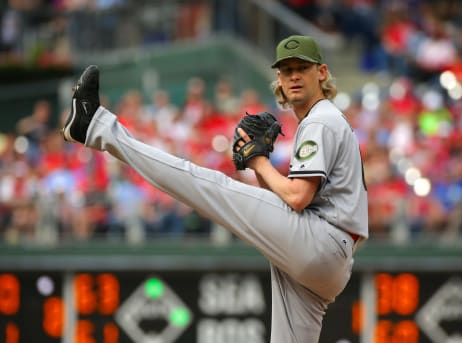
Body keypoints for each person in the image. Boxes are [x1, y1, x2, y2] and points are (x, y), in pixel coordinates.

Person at [62, 34, 368, 342]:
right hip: (327, 257)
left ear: (322, 72)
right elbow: (288, 204)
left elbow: (297, 198)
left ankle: (95, 127)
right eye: (287, 70)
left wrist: (259, 162)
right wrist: (258, 165)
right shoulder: (321, 121)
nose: (295, 75)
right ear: (279, 77)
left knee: (206, 183)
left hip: (321, 241)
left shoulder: (321, 120)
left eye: (302, 67)